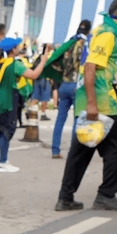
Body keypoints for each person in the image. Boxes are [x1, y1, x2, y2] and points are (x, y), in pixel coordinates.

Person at [57, 0, 117, 212]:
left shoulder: (115, 32)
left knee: (83, 148)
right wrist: (92, 104)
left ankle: (65, 197)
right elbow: (91, 66)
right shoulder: (108, 34)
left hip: (98, 96)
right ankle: (105, 195)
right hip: (102, 98)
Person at [0, 38, 51, 172]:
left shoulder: (1, 63)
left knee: (1, 129)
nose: (19, 48)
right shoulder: (14, 64)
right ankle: (3, 162)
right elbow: (34, 75)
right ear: (13, 49)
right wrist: (43, 62)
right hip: (8, 101)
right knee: (7, 129)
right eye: (17, 46)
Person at [43, 20, 92, 156]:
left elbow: (57, 61)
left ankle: (55, 149)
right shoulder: (86, 45)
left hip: (64, 85)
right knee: (77, 119)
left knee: (60, 118)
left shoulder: (68, 44)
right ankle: (73, 151)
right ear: (88, 31)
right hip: (78, 86)